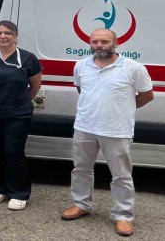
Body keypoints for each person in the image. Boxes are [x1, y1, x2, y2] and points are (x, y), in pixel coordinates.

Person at [61, 28, 154, 237]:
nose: (99, 45)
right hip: (84, 127)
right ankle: (81, 204)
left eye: (104, 41)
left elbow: (147, 95)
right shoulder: (81, 65)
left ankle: (123, 215)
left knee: (121, 175)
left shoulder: (133, 68)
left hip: (117, 130)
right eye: (95, 41)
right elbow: (82, 90)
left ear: (116, 43)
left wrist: (122, 109)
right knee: (81, 169)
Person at [0, 20, 42, 211]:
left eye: (8, 33)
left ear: (16, 36)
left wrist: (19, 102)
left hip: (18, 115)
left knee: (14, 151)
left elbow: (35, 86)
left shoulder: (28, 58)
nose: (3, 36)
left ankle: (19, 192)